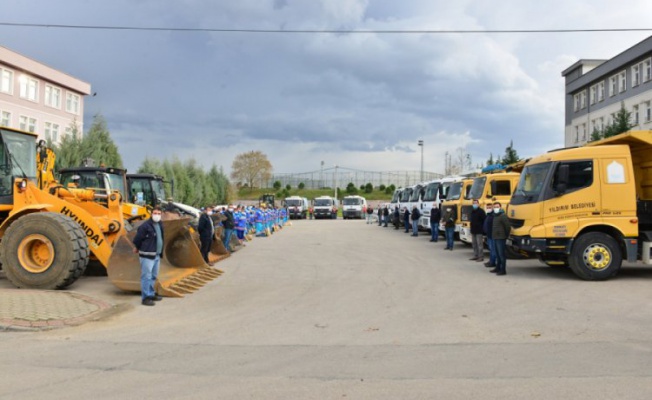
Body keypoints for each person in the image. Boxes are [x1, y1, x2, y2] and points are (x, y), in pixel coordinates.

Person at [132, 206, 164, 306]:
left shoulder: (160, 224)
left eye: (159, 213)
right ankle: (145, 297)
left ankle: (151, 293)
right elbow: (137, 239)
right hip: (147, 255)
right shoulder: (145, 226)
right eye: (155, 213)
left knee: (153, 276)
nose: (157, 215)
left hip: (157, 255)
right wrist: (137, 247)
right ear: (151, 214)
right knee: (146, 276)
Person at [490, 201, 511, 276]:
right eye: (495, 207)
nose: (496, 208)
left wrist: (506, 235)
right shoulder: (495, 215)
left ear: (500, 207)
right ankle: (497, 268)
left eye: (497, 207)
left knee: (501, 254)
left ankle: (503, 270)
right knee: (497, 254)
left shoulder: (503, 215)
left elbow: (507, 227)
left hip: (501, 238)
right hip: (495, 237)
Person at [483, 204, 497, 269]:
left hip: (492, 235)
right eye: (487, 207)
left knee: (493, 250)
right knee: (491, 249)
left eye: (490, 207)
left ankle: (493, 262)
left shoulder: (493, 215)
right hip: (488, 235)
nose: (488, 208)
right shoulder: (488, 215)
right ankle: (491, 261)